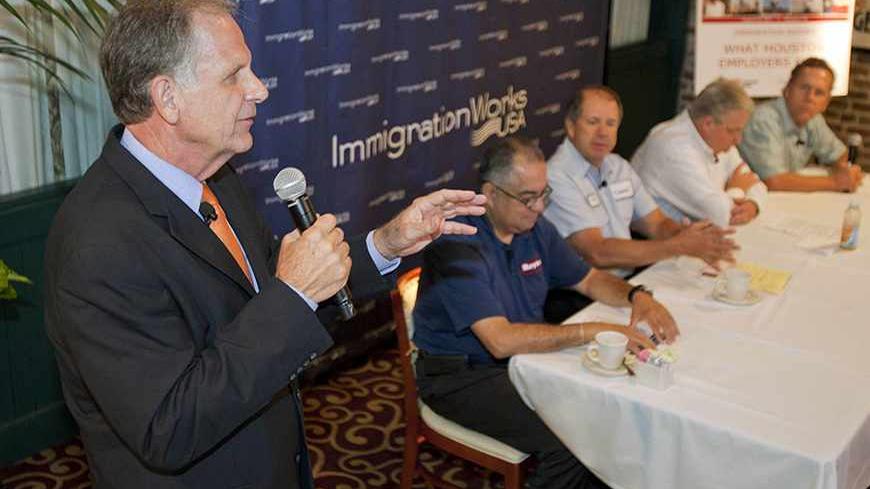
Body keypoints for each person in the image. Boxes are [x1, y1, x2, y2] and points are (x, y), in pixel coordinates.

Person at [43, 1, 486, 488]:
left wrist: (386, 242)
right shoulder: (97, 244)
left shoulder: (218, 178)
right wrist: (293, 293)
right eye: (234, 75)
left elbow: (274, 280)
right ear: (167, 98)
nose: (259, 88)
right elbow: (169, 426)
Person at [412, 136, 679, 489]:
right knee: (571, 439)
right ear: (490, 194)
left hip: (525, 361)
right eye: (528, 198)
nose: (539, 207)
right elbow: (500, 341)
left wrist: (635, 295)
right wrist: (590, 330)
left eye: (544, 194)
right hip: (461, 377)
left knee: (613, 408)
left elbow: (589, 279)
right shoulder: (457, 244)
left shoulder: (535, 229)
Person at [544, 86, 737, 278]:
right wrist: (676, 246)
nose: (603, 132)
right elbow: (597, 252)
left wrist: (689, 237)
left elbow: (657, 224)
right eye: (593, 122)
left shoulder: (618, 167)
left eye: (610, 124)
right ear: (571, 127)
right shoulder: (556, 177)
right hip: (581, 289)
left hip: (623, 278)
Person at [632, 78, 767, 227]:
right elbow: (719, 215)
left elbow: (754, 182)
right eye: (733, 131)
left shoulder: (718, 139)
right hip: (657, 238)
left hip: (694, 233)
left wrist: (752, 205)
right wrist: (737, 189)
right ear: (708, 124)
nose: (738, 140)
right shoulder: (673, 147)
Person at [738, 57, 863, 192]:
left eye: (819, 93)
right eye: (804, 88)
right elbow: (774, 181)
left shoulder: (814, 120)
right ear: (786, 90)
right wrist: (835, 182)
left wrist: (843, 171)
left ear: (826, 103)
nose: (810, 97)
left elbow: (840, 155)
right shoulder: (763, 119)